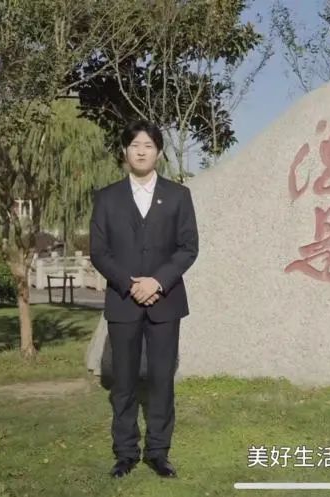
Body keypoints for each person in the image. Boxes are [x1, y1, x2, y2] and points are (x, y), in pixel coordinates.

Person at [89, 120, 198, 478]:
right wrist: (130, 283)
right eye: (134, 145)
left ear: (159, 152)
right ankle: (125, 453)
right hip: (123, 301)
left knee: (162, 381)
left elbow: (188, 247)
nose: (141, 151)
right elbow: (99, 252)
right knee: (123, 383)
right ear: (125, 151)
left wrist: (157, 282)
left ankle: (158, 453)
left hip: (166, 302)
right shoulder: (107, 198)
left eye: (148, 145)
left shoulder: (178, 195)